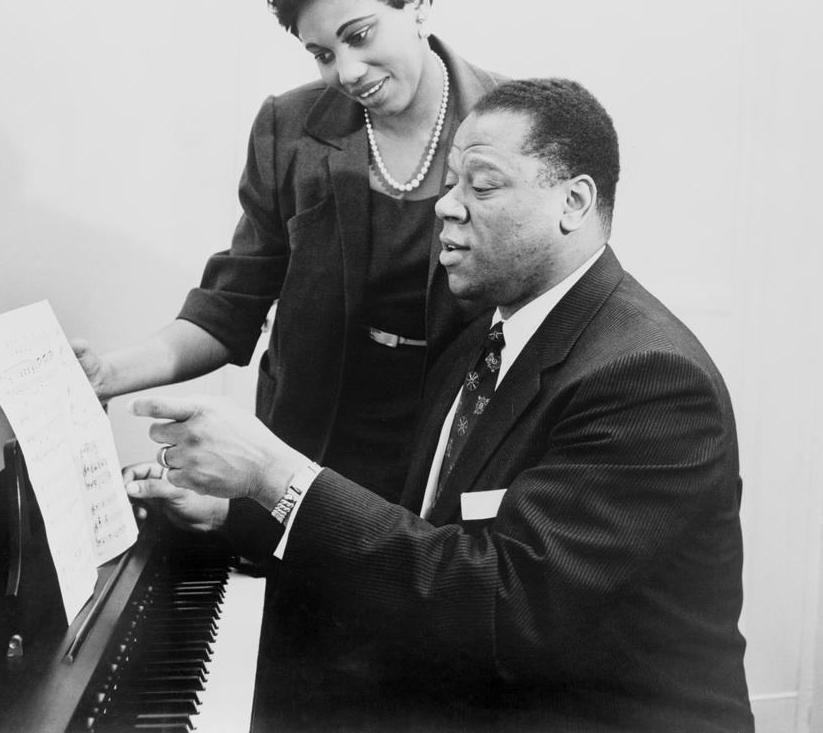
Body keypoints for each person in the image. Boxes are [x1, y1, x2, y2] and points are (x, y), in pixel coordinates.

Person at [123, 79, 754, 732]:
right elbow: (418, 522)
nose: (445, 207)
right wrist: (235, 507)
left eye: (480, 185)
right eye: (450, 182)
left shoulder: (650, 380)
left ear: (574, 202)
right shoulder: (483, 336)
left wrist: (272, 470)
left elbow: (502, 606)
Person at [73, 0, 503, 505]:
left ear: (419, 2)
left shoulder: (513, 127)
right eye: (322, 53)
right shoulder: (290, 127)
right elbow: (233, 304)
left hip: (454, 462)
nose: (346, 72)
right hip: (306, 457)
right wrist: (111, 375)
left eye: (359, 35)